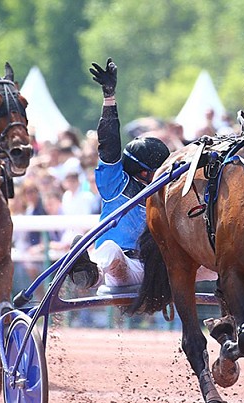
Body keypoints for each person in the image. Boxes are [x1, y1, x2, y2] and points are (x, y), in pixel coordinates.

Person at [68, 58, 170, 290]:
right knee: (110, 250)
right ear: (143, 172)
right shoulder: (116, 185)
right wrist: (109, 98)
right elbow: (109, 145)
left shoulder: (168, 192)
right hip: (122, 268)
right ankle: (89, 273)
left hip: (159, 269)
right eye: (159, 169)